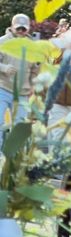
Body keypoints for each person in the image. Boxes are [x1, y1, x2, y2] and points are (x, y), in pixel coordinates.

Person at [0, 14, 36, 142]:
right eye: (18, 28)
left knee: (19, 127)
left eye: (24, 29)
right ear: (11, 27)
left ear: (28, 29)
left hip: (22, 93)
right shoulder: (2, 41)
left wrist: (33, 85)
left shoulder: (32, 45)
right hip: (3, 89)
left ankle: (15, 159)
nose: (21, 31)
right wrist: (4, 68)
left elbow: (35, 69)